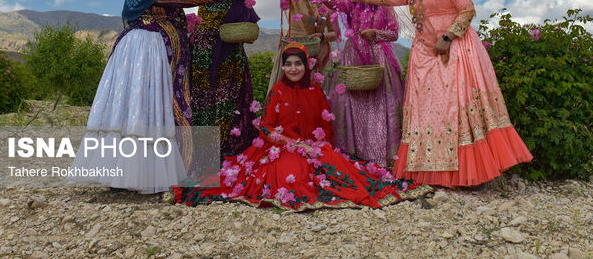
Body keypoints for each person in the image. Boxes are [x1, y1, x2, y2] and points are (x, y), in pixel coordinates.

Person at [332, 0, 532, 188]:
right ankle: (434, 172)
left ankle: (472, 173)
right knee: (428, 113)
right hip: (424, 55)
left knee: (457, 108)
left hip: (455, 49)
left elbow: (467, 10)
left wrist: (447, 37)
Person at [71, 0, 251, 194]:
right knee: (140, 104)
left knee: (141, 106)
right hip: (146, 49)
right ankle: (128, 173)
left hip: (141, 49)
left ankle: (133, 173)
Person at [172, 43, 430, 210]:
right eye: (288, 64)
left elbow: (324, 127)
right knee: (292, 181)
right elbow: (267, 128)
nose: (293, 68)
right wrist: (293, 143)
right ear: (282, 66)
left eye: (298, 63)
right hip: (281, 149)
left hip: (314, 147)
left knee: (347, 175)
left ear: (306, 65)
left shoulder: (316, 91)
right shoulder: (277, 91)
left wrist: (316, 147)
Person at [192, 0, 287, 158]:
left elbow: (245, 29)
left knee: (233, 101)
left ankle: (231, 150)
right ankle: (204, 154)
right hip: (207, 54)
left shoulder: (242, 2)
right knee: (207, 102)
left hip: (232, 53)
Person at [327, 0, 404, 168]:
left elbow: (394, 34)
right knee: (354, 101)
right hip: (353, 56)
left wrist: (376, 33)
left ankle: (382, 155)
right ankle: (354, 152)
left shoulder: (384, 5)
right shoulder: (350, 3)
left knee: (379, 103)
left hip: (378, 56)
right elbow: (329, 3)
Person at [266, 0, 338, 93]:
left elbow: (335, 34)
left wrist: (322, 36)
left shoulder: (326, 5)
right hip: (294, 55)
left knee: (316, 98)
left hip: (319, 57)